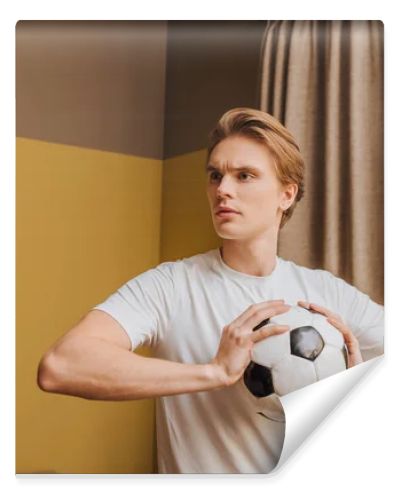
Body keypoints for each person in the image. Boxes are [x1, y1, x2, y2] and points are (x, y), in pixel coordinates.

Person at [37, 107, 384, 474]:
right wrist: (213, 372)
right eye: (215, 175)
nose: (223, 190)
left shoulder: (325, 293)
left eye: (244, 176)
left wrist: (355, 390)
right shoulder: (171, 286)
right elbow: (61, 366)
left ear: (286, 194)